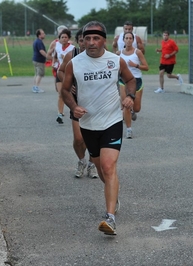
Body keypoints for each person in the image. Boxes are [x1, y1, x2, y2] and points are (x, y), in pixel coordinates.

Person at [61, 21, 136, 236]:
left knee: (108, 165)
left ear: (104, 39)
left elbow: (130, 80)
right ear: (82, 40)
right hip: (88, 124)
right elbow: (65, 90)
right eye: (87, 38)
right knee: (102, 171)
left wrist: (130, 97)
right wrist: (73, 107)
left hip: (112, 121)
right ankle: (113, 194)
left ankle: (109, 218)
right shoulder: (74, 64)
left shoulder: (115, 61)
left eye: (96, 38)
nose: (91, 43)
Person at [58, 29, 99, 179]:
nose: (84, 43)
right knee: (79, 139)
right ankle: (81, 160)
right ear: (78, 42)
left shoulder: (98, 54)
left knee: (93, 138)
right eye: (81, 40)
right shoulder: (72, 55)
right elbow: (60, 72)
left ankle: (92, 164)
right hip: (76, 102)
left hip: (95, 102)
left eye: (86, 40)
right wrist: (68, 84)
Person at [117, 32, 149, 139]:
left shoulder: (137, 52)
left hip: (137, 80)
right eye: (126, 38)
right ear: (124, 40)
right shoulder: (119, 53)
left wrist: (135, 65)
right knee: (126, 103)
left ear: (133, 40)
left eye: (130, 38)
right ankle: (129, 129)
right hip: (123, 80)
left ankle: (132, 111)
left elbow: (146, 67)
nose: (129, 40)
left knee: (137, 108)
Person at [52, 29, 74, 124]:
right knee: (61, 93)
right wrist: (54, 62)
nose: (64, 39)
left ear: (68, 38)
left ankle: (74, 110)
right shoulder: (57, 47)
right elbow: (55, 56)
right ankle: (59, 114)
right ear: (59, 39)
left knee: (71, 94)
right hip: (59, 72)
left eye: (66, 37)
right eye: (62, 37)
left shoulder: (72, 48)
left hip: (69, 73)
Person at [32, 29, 50, 93]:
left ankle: (34, 86)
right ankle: (36, 87)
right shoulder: (39, 42)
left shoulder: (36, 41)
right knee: (40, 74)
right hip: (39, 61)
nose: (44, 34)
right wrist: (47, 56)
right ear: (39, 35)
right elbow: (41, 51)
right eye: (43, 33)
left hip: (35, 60)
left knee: (37, 74)